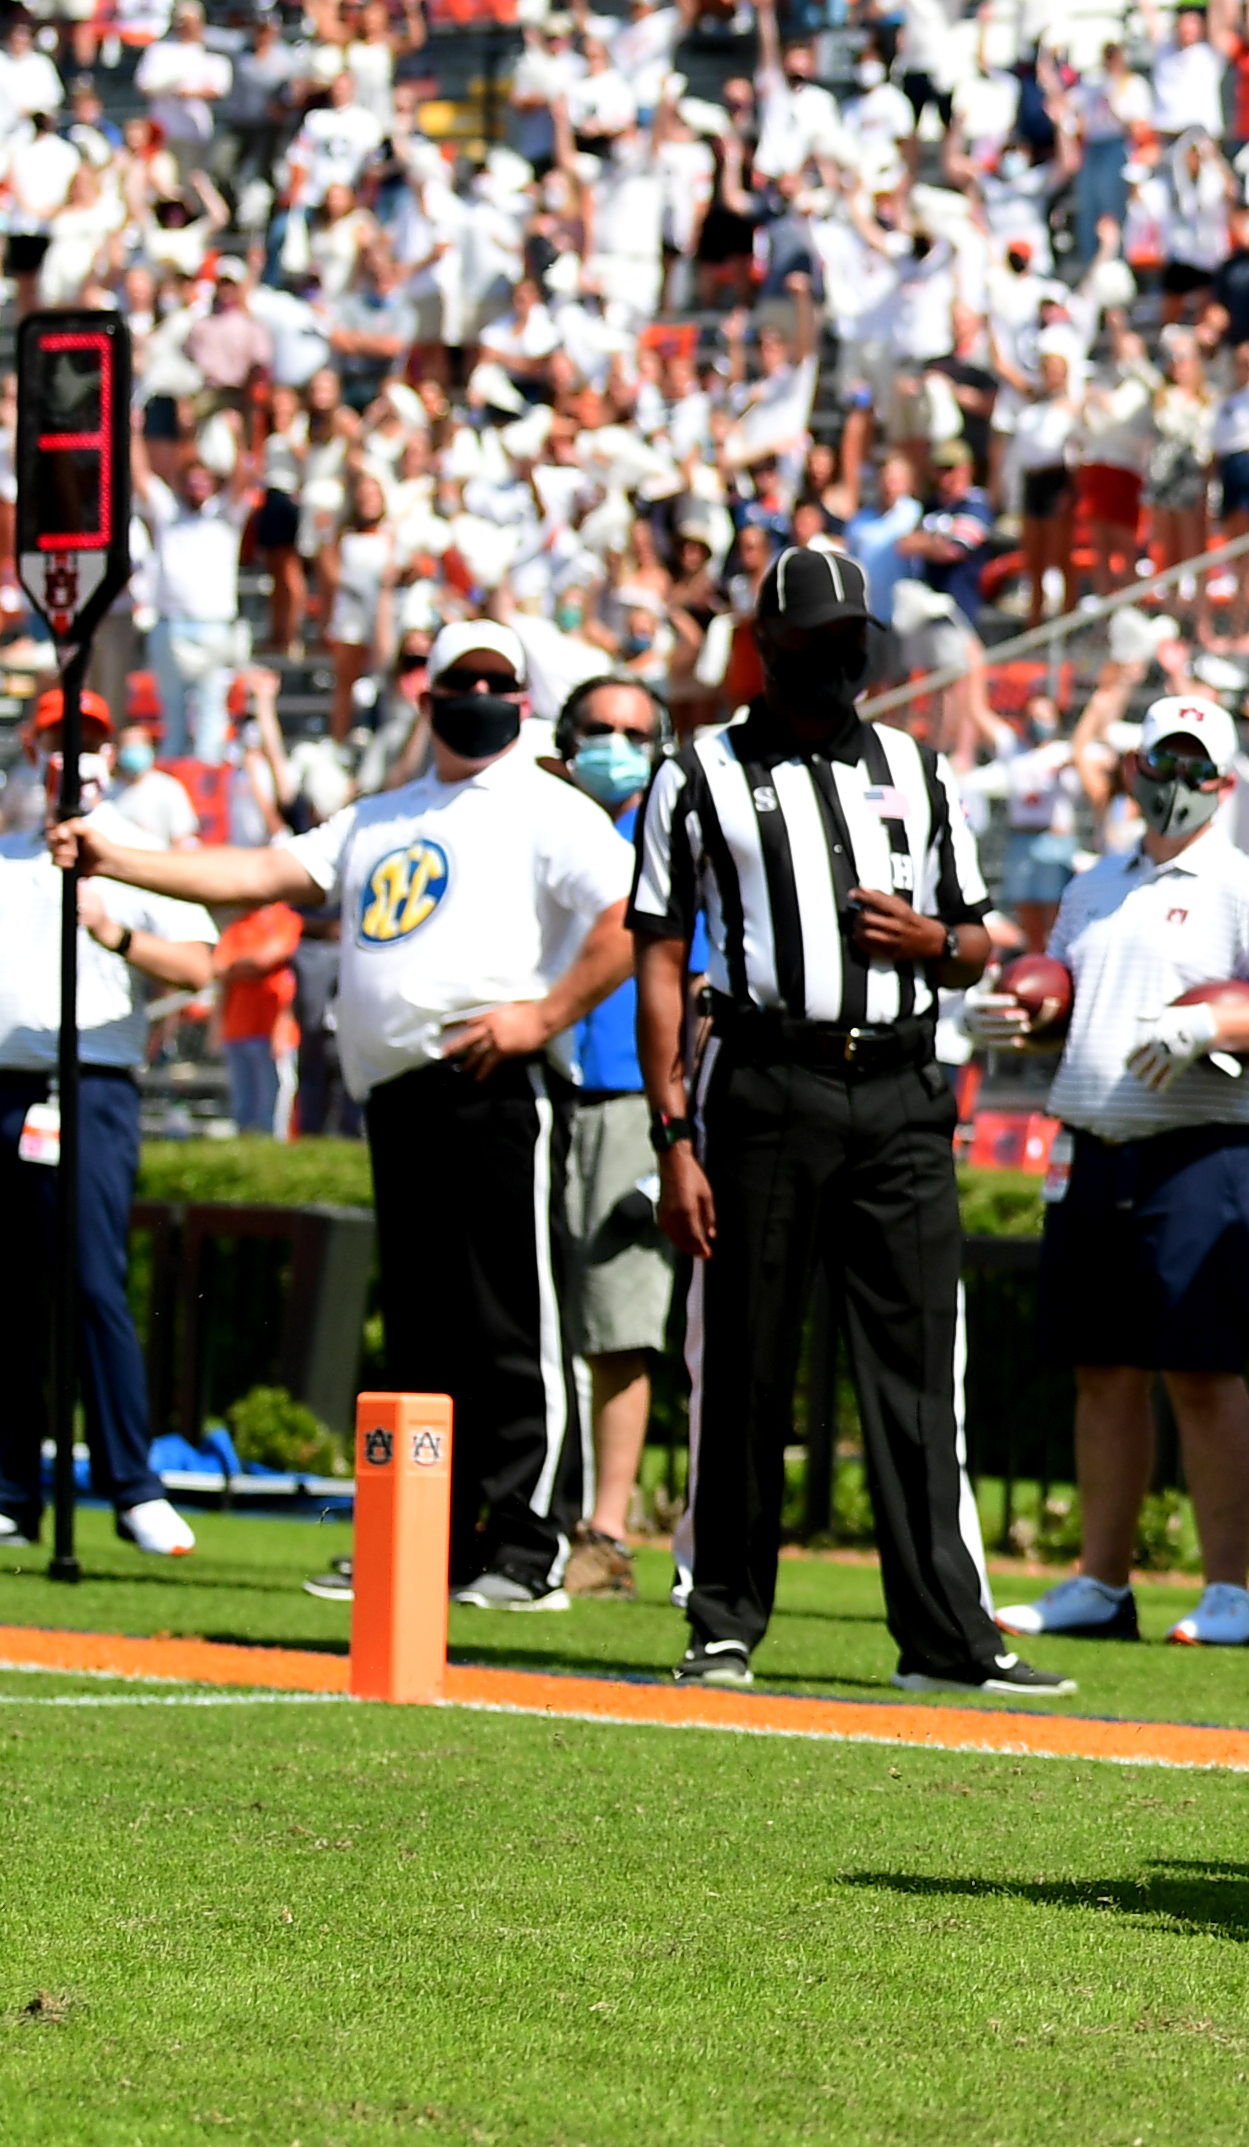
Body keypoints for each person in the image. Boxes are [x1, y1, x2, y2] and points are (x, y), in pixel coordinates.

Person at [57, 614, 634, 1609]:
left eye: (499, 680)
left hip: (497, 1086)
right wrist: (116, 859)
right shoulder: (380, 816)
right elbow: (251, 877)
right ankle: (424, 1541)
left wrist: (541, 1016)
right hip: (399, 1092)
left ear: (524, 699)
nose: (482, 695)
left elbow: (631, 914)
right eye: (466, 679)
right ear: (429, 695)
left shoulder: (545, 805)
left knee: (509, 1324)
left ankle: (523, 1543)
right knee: (422, 1333)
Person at [633, 549, 1062, 1690]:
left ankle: (946, 1638)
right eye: (819, 644)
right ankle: (723, 1618)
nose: (841, 662)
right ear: (767, 651)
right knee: (746, 1366)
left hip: (903, 1090)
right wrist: (673, 1137)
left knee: (918, 1373)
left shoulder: (919, 770)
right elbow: (661, 961)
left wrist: (935, 946)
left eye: (851, 643)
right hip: (769, 1083)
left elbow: (976, 941)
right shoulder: (698, 774)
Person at [1001, 690, 1249, 1651]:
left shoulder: (1243, 883)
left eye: (1197, 765)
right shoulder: (1091, 883)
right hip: (1093, 1140)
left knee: (1201, 1368)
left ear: (1226, 782)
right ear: (1135, 768)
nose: (1178, 782)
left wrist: (1213, 1025)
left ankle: (1226, 1589)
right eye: (1164, 762)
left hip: (1200, 1145)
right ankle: (1101, 1581)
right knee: (1102, 1372)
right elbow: (1069, 1002)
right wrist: (1022, 1020)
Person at [0, 696, 218, 1560]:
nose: (76, 757)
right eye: (62, 742)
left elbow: (197, 965)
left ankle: (132, 1485)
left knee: (93, 1281)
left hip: (93, 1082)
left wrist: (114, 931)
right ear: (35, 753)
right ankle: (3, 1486)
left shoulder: (142, 855)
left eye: (91, 743)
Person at [548, 671, 681, 1597]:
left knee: (617, 1323)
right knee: (539, 1320)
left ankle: (606, 1532)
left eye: (633, 733)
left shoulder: (667, 837)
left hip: (629, 1094)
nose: (613, 747)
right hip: (539, 1089)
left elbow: (696, 981)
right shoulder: (547, 830)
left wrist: (681, 1122)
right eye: (596, 729)